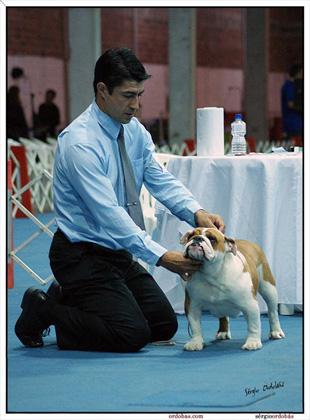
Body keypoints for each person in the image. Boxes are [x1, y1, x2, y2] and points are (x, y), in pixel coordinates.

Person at [15, 48, 225, 353]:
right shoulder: (79, 144)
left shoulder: (134, 130)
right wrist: (164, 258)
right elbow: (109, 215)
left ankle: (69, 297)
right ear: (102, 90)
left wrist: (196, 212)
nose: (137, 105)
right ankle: (44, 308)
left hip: (117, 253)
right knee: (130, 334)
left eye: (139, 94)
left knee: (164, 325)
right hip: (79, 256)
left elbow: (159, 179)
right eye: (128, 95)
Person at [281, 64, 303, 143]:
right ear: (297, 73)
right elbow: (290, 104)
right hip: (292, 123)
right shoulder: (289, 86)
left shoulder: (295, 86)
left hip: (297, 122)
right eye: (301, 73)